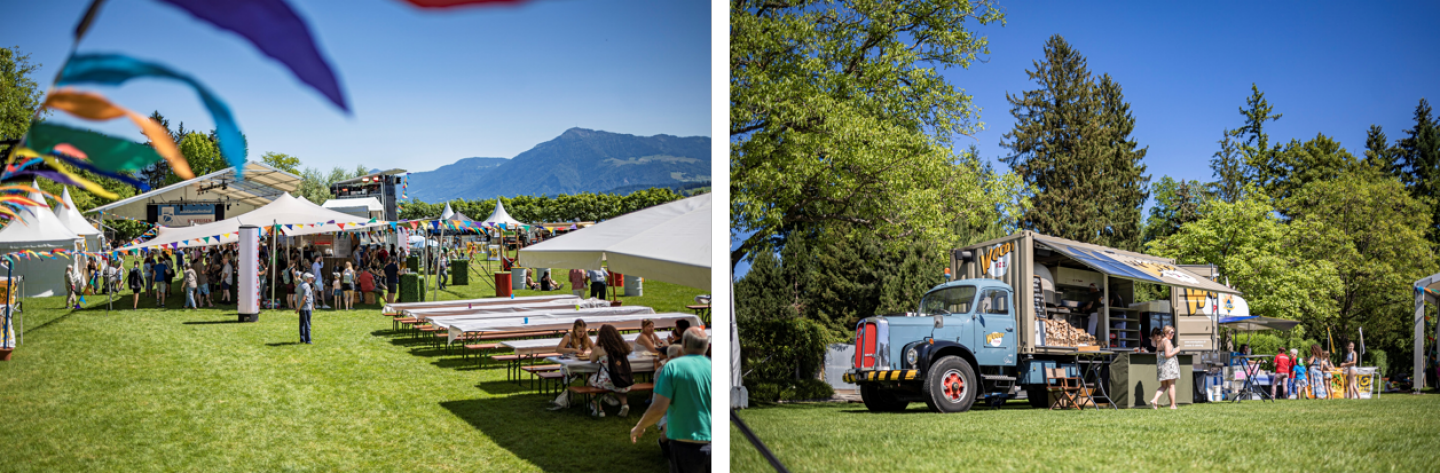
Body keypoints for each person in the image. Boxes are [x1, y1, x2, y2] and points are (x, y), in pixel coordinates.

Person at [631, 327, 711, 472]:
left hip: (686, 444)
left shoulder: (672, 367)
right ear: (706, 345)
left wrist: (640, 426)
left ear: (684, 344)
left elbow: (659, 408)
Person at [587, 324, 635, 418]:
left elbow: (592, 359)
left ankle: (599, 409)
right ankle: (624, 404)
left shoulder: (599, 349)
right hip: (622, 379)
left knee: (589, 382)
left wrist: (596, 344)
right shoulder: (622, 347)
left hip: (607, 379)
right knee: (618, 388)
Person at [1148, 326, 1180, 409]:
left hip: (1161, 367)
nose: (1173, 334)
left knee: (1164, 386)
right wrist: (1176, 350)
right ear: (1165, 333)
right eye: (1171, 332)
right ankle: (1172, 405)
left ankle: (1155, 400)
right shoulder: (1167, 342)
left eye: (1173, 332)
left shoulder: (1159, 341)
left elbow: (1157, 355)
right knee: (1171, 386)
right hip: (1169, 366)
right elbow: (1167, 355)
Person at [297, 272, 315, 344]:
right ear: (307, 279)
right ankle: (308, 340)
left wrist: (298, 307)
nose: (312, 279)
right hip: (306, 307)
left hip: (301, 307)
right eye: (311, 278)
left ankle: (302, 338)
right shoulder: (307, 286)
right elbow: (304, 298)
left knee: (302, 323)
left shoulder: (300, 285)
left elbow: (298, 297)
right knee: (307, 323)